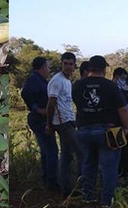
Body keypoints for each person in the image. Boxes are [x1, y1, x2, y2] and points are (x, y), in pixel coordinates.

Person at [72, 55, 128, 208]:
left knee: (88, 163)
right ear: (104, 69)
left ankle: (88, 196)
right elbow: (122, 109)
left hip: (83, 129)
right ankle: (106, 200)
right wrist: (126, 127)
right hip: (108, 130)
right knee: (109, 166)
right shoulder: (110, 86)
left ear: (89, 68)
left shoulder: (77, 85)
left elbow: (77, 103)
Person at [46, 52, 83, 198]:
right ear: (61, 64)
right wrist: (49, 124)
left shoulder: (67, 81)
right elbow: (51, 103)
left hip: (69, 120)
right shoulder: (57, 81)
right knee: (81, 153)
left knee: (67, 156)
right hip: (63, 123)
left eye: (70, 64)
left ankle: (66, 189)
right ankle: (82, 186)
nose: (68, 66)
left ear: (74, 65)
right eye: (65, 63)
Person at [20, 57, 58, 191]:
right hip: (39, 119)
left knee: (46, 149)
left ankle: (48, 178)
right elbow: (25, 93)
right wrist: (37, 109)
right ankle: (51, 180)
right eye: (47, 67)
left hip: (42, 118)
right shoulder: (34, 80)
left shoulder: (40, 80)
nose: (49, 69)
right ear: (42, 67)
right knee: (51, 149)